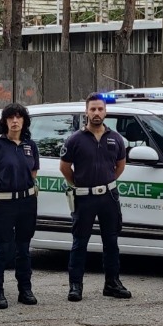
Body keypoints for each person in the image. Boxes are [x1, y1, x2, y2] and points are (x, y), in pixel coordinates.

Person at [60, 94, 131, 301]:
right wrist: (80, 184)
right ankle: (75, 286)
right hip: (84, 198)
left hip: (108, 196)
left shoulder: (115, 138)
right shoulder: (75, 139)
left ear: (105, 112)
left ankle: (112, 283)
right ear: (86, 112)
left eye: (100, 109)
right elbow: (65, 167)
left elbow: (120, 165)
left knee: (111, 241)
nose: (96, 113)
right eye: (93, 109)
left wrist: (106, 183)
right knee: (79, 242)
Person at [0, 101, 41, 310]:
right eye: (11, 117)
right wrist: (1, 192)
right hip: (5, 203)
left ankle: (25, 289)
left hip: (27, 202)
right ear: (5, 122)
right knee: (2, 248)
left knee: (24, 248)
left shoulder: (30, 146)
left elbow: (33, 172)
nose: (15, 121)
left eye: (19, 117)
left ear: (24, 121)